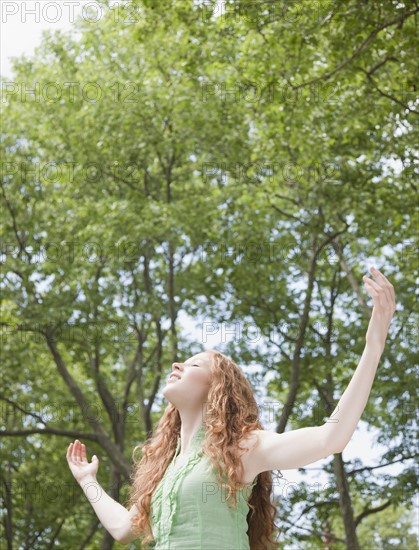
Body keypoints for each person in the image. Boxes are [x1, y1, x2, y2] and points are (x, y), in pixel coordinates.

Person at [66, 266, 396, 549]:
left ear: (216, 389)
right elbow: (124, 528)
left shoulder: (242, 448)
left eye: (194, 365)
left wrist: (374, 345)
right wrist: (87, 480)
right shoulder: (163, 469)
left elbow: (331, 438)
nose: (178, 364)